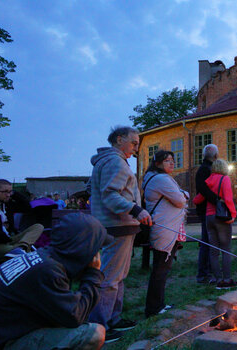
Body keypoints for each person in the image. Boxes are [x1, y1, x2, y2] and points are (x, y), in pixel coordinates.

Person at [0, 212, 109, 350]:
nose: (97, 254)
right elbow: (75, 316)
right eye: (96, 248)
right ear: (83, 248)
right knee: (94, 334)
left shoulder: (43, 258)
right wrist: (93, 274)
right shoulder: (48, 271)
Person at [87, 126, 152, 342]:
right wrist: (137, 210)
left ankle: (113, 318)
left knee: (119, 275)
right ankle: (100, 325)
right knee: (110, 277)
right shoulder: (114, 161)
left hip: (120, 225)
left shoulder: (110, 161)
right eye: (133, 142)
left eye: (137, 143)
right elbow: (110, 195)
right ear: (118, 139)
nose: (136, 147)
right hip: (116, 225)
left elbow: (95, 190)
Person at [142, 150, 188, 317]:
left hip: (164, 226)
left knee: (161, 268)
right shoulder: (161, 179)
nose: (171, 163)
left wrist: (181, 194)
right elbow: (181, 200)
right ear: (158, 163)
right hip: (164, 228)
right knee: (160, 269)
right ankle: (154, 308)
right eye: (167, 160)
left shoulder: (153, 178)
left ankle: (158, 304)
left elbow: (179, 197)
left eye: (172, 160)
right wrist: (183, 195)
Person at [193, 159, 237, 289]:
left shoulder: (208, 180)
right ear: (224, 168)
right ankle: (227, 279)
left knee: (214, 251)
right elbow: (228, 199)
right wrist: (233, 214)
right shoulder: (225, 179)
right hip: (221, 217)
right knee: (226, 249)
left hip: (209, 217)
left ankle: (218, 280)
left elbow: (197, 200)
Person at [195, 144, 219, 284]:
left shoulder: (206, 168)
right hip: (206, 211)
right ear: (215, 156)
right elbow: (203, 190)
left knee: (210, 241)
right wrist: (217, 200)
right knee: (206, 242)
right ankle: (203, 274)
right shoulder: (205, 169)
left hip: (208, 210)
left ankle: (209, 270)